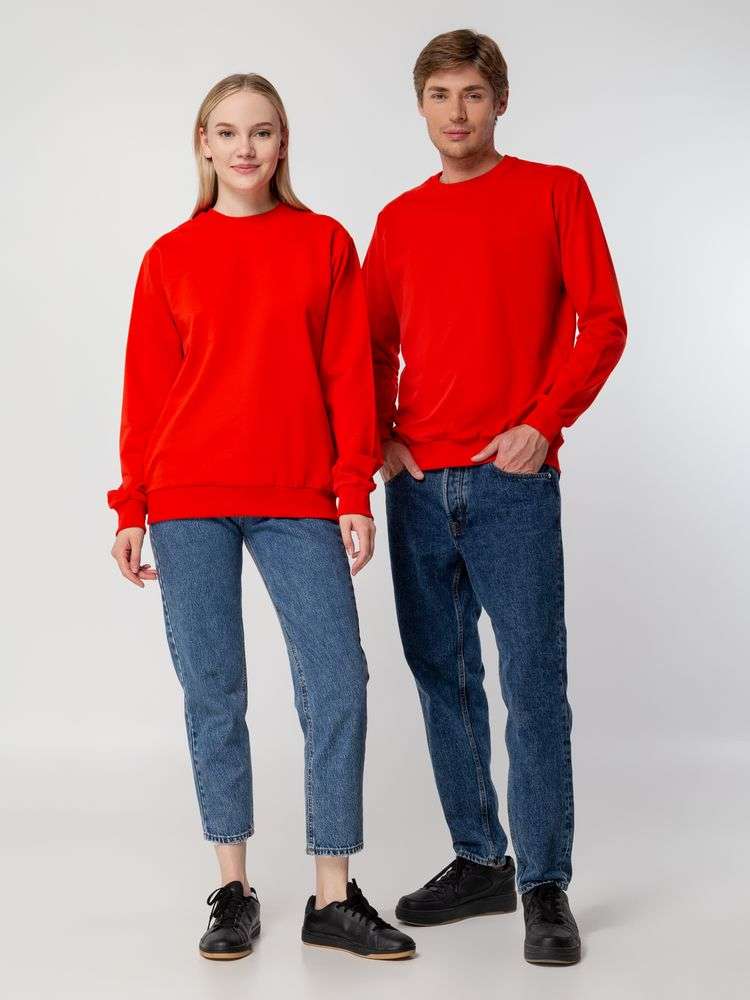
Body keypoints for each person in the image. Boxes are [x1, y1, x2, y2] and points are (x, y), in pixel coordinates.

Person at [106, 72, 416, 963]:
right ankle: (234, 887)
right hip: (188, 498)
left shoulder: (324, 244)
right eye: (228, 131)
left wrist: (351, 492)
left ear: (283, 144)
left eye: (263, 131)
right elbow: (146, 391)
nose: (245, 148)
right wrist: (132, 504)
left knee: (338, 678)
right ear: (202, 145)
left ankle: (333, 895)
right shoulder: (170, 256)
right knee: (215, 689)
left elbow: (348, 377)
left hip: (296, 495)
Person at [362, 29, 627, 965]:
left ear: (500, 102)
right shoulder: (398, 220)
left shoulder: (555, 192)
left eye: (472, 93)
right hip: (418, 487)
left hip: (512, 480)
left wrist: (545, 423)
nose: (457, 112)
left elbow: (603, 321)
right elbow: (369, 346)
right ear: (421, 106)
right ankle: (480, 858)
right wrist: (382, 439)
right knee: (443, 677)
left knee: (532, 683)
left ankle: (544, 883)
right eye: (440, 95)